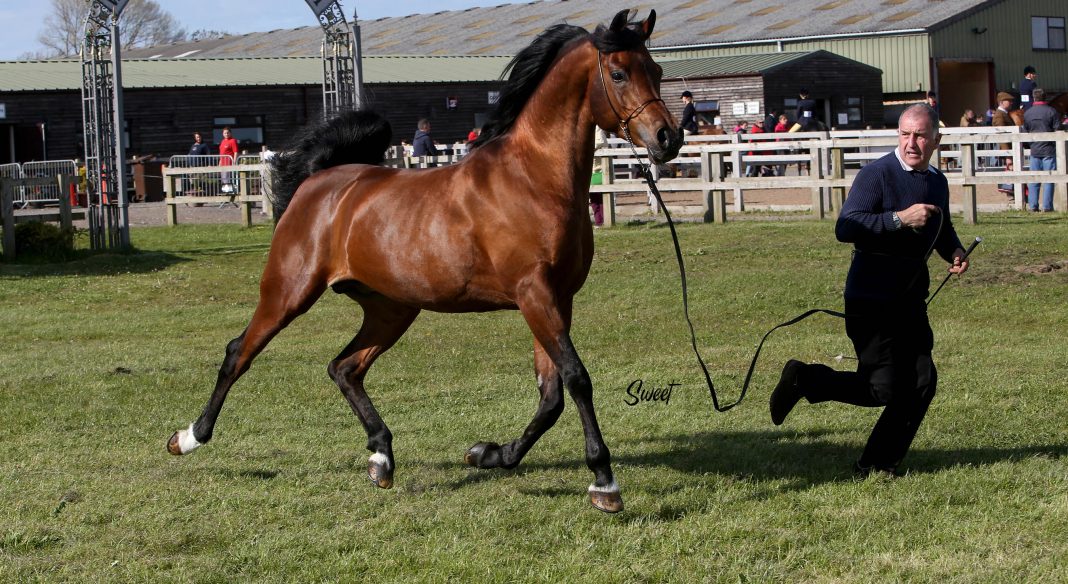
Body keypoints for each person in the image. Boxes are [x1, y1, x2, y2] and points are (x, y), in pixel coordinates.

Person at [769, 104, 970, 477]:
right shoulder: (876, 175)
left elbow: (939, 226)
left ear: (936, 140)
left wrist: (953, 250)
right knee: (883, 389)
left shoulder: (936, 181)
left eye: (921, 136)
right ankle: (804, 379)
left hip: (911, 298)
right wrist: (898, 219)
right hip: (871, 297)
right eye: (906, 134)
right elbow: (846, 227)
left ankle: (878, 463)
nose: (912, 143)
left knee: (923, 380)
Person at [1022, 88, 1061, 212]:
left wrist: (1030, 145)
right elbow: (1057, 129)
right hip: (1048, 150)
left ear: (1034, 98)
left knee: (1034, 179)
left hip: (1034, 150)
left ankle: (1033, 206)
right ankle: (1047, 206)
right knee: (1049, 179)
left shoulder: (1028, 113)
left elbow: (1025, 130)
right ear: (1045, 97)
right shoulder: (1051, 111)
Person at [991, 92, 1017, 197]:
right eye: (1008, 101)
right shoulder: (999, 115)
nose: (1011, 103)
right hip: (1008, 149)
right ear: (1001, 102)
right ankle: (1011, 196)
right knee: (1010, 171)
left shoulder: (1004, 114)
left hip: (1010, 148)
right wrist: (1007, 154)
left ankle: (1013, 195)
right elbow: (1001, 136)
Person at [218, 127, 238, 194]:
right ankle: (225, 193)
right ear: (223, 134)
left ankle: (228, 194)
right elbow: (221, 153)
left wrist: (234, 162)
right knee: (223, 179)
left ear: (230, 133)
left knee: (227, 179)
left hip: (228, 163)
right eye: (224, 133)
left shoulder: (233, 140)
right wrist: (220, 162)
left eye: (227, 133)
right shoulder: (222, 141)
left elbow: (235, 152)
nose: (226, 134)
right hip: (222, 163)